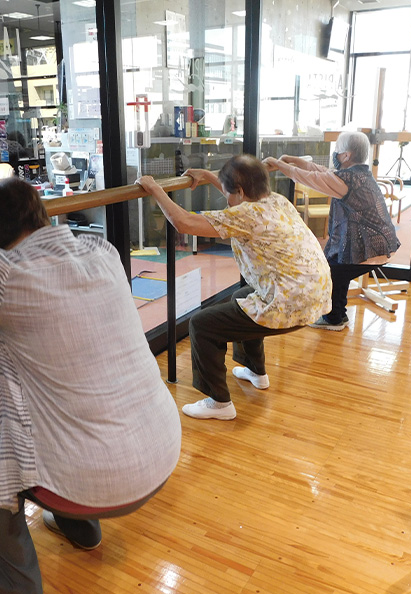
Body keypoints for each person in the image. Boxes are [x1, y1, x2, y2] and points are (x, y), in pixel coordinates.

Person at [0, 178, 181, 594]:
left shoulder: (0, 276)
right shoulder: (103, 251)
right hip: (162, 448)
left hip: (101, 482)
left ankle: (14, 586)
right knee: (74, 404)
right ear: (40, 215)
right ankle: (80, 530)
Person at [137, 154, 331, 421]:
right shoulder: (277, 202)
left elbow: (184, 223)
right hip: (315, 297)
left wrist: (154, 189)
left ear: (239, 192)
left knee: (202, 324)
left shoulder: (246, 215)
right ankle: (256, 371)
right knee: (242, 298)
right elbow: (240, 197)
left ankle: (219, 403)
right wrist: (207, 175)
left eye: (228, 193)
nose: (226, 200)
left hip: (291, 304)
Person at [263, 131, 400, 331]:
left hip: (372, 247)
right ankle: (337, 316)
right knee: (337, 268)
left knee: (332, 270)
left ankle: (334, 318)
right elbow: (322, 173)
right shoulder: (359, 173)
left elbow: (311, 178)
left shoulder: (348, 180)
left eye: (337, 151)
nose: (335, 155)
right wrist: (293, 161)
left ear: (346, 156)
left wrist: (280, 165)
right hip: (379, 242)